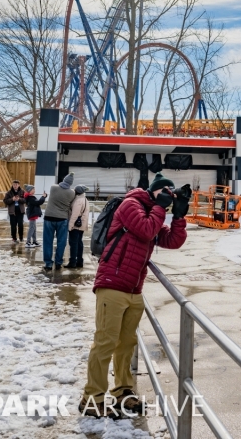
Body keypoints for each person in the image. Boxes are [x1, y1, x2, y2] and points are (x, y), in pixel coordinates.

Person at [80, 175, 190, 417]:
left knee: (126, 345)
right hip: (112, 283)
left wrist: (179, 217)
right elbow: (145, 230)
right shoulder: (131, 204)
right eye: (165, 191)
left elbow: (172, 241)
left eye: (171, 193)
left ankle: (123, 392)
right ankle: (92, 397)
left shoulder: (152, 212)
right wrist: (161, 207)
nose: (169, 195)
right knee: (105, 343)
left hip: (133, 289)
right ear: (152, 191)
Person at [43, 173, 76, 271]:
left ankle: (48, 263)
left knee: (47, 241)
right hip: (62, 219)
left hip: (49, 217)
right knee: (61, 241)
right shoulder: (72, 193)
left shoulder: (53, 188)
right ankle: (58, 262)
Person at [65, 186, 89, 269]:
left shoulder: (78, 200)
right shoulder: (85, 199)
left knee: (73, 243)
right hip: (82, 224)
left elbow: (74, 215)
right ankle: (79, 261)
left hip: (76, 225)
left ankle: (72, 262)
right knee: (79, 242)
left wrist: (70, 226)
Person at [3, 180, 25, 244]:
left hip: (20, 211)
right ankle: (14, 238)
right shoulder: (9, 193)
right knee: (13, 225)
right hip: (12, 211)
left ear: (19, 185)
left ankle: (21, 237)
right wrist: (12, 199)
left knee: (20, 225)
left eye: (16, 184)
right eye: (14, 185)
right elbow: (5, 201)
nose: (15, 186)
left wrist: (19, 199)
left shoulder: (22, 192)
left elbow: (25, 200)